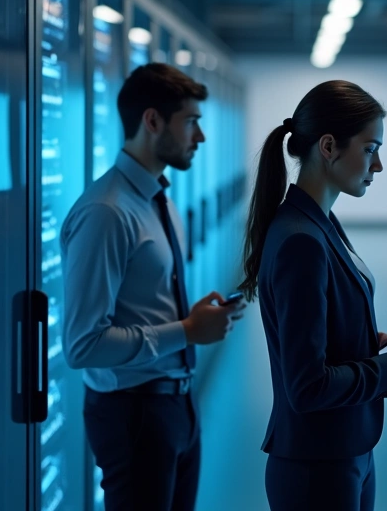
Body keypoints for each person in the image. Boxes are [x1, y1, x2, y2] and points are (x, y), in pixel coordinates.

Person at [239, 80, 387, 511]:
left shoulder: (320, 223)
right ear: (328, 146)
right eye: (370, 148)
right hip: (318, 467)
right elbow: (307, 386)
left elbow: (324, 342)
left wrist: (373, 349)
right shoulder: (301, 240)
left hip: (347, 451)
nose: (379, 164)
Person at [61, 63, 247, 511]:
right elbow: (83, 346)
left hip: (177, 403)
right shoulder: (107, 212)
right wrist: (186, 331)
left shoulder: (158, 200)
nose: (199, 137)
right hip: (134, 414)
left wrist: (192, 318)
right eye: (191, 122)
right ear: (152, 121)